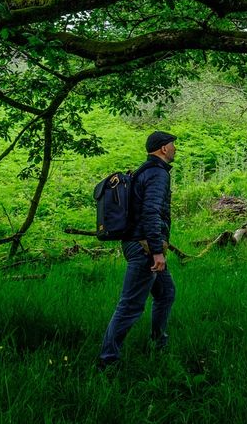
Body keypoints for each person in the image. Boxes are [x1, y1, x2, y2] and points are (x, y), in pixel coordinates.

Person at [98, 130, 177, 370]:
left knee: (165, 293)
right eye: (173, 145)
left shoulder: (144, 171)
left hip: (138, 243)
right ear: (163, 148)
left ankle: (158, 343)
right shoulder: (157, 174)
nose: (175, 149)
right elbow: (151, 212)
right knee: (130, 306)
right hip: (144, 248)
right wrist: (157, 251)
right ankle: (107, 362)